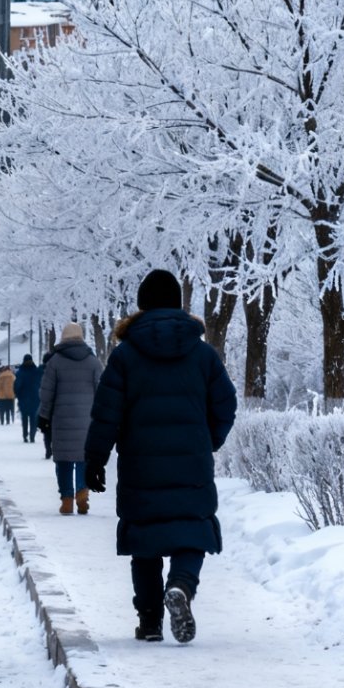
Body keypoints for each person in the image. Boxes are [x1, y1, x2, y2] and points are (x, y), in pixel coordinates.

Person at [84, 269, 237, 644]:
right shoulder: (203, 355)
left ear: (141, 306)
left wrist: (95, 460)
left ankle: (150, 620)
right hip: (191, 461)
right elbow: (226, 404)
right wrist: (207, 441)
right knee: (191, 531)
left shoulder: (125, 357)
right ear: (178, 304)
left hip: (141, 463)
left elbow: (106, 414)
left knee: (145, 543)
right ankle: (182, 586)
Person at [38, 322, 101, 515]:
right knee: (83, 458)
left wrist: (43, 415)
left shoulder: (55, 362)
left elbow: (46, 393)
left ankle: (66, 499)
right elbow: (102, 391)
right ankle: (82, 491)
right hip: (87, 420)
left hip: (61, 419)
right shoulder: (93, 362)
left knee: (63, 459)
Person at [14, 353, 42, 442]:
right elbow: (41, 384)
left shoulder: (20, 373)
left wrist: (18, 395)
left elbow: (17, 386)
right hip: (35, 399)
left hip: (23, 399)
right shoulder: (37, 372)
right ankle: (32, 436)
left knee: (25, 418)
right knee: (33, 418)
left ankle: (25, 435)